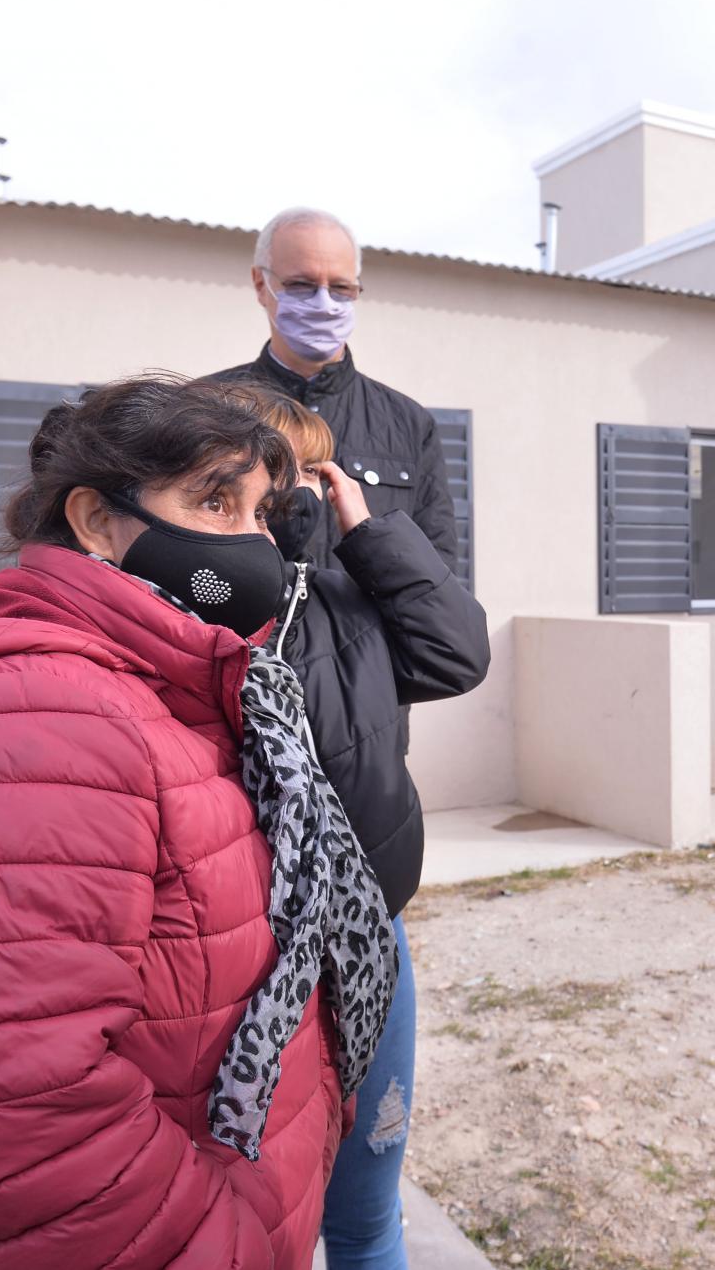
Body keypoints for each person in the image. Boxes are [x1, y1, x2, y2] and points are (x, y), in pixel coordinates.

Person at [0, 376, 398, 1269]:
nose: (255, 542)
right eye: (212, 500)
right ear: (94, 519)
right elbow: (15, 1134)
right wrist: (227, 1244)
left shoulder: (180, 688)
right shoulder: (28, 720)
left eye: (261, 513)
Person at [234, 385, 490, 1269]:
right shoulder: (200, 602)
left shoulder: (347, 597)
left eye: (312, 471)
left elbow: (458, 653)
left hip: (368, 938)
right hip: (239, 952)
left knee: (366, 1211)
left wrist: (367, 527)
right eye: (276, 474)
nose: (297, 492)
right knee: (245, 1212)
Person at [206, 207, 460, 570]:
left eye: (341, 288)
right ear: (262, 285)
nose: (324, 304)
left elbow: (438, 571)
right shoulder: (210, 406)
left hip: (363, 627)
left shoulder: (408, 423)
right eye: (301, 285)